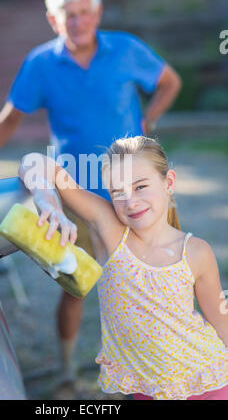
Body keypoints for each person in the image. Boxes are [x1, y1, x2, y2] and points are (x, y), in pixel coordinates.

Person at [0, 0, 181, 390]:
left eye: (86, 13)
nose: (79, 22)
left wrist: (149, 120)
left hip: (132, 191)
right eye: (70, 16)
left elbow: (169, 82)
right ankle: (67, 371)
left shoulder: (125, 49)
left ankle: (153, 370)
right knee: (76, 287)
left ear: (97, 12)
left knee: (151, 283)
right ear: (53, 19)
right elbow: (9, 119)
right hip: (75, 190)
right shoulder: (40, 64)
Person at [18, 135, 228, 400]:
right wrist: (48, 202)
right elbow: (34, 162)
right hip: (145, 392)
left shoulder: (196, 251)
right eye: (118, 192)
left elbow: (222, 324)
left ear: (169, 182)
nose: (130, 201)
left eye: (140, 187)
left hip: (209, 384)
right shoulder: (111, 231)